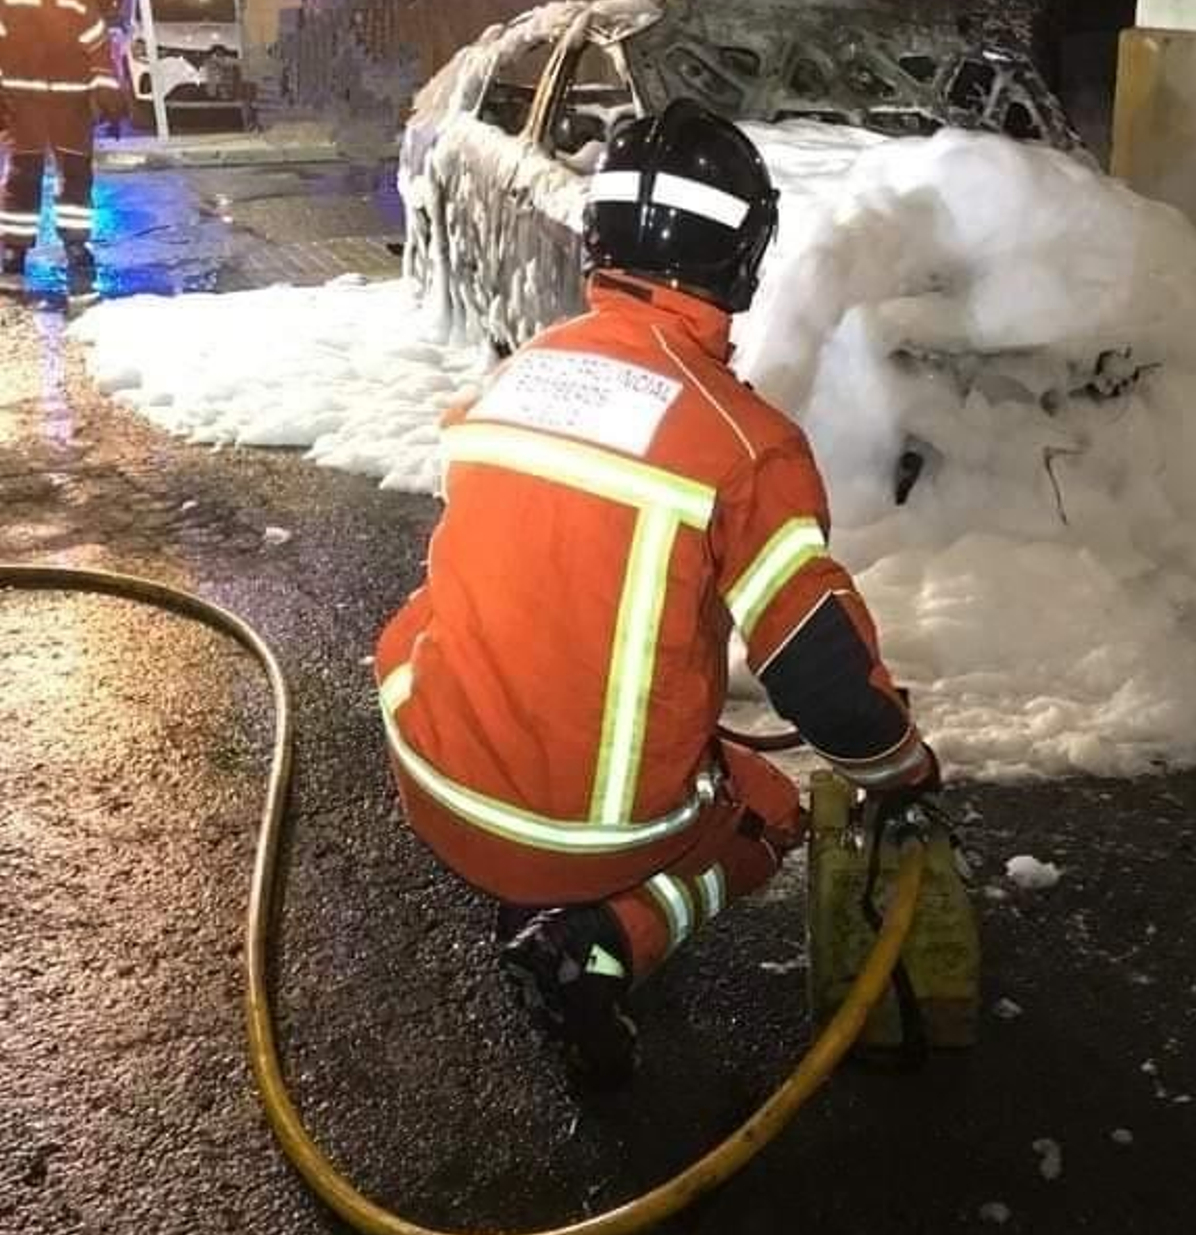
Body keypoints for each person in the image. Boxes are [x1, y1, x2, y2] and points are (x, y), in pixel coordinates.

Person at [376, 99, 938, 1090]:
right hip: (573, 837)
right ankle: (598, 943)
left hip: (430, 775)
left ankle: (535, 887)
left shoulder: (515, 378)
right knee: (765, 805)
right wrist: (901, 769)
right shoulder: (743, 444)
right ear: (743, 254)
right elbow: (820, 675)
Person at [0, 0, 123, 293]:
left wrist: (108, 93)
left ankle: (75, 244)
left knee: (76, 178)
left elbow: (97, 46)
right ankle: (14, 249)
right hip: (23, 104)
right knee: (22, 178)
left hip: (71, 104)